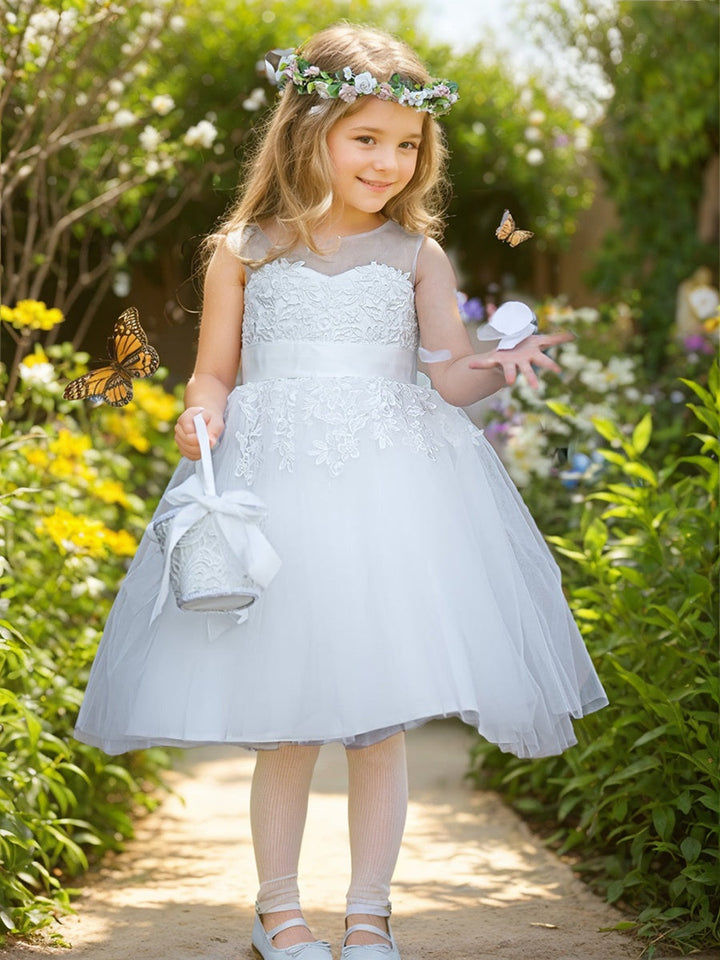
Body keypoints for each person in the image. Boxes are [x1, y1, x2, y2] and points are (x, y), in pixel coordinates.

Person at [74, 23, 608, 960]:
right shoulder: (245, 249)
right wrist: (200, 415)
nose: (387, 162)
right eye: (366, 138)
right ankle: (279, 910)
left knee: (376, 718)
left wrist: (499, 365)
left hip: (386, 501)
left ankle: (370, 911)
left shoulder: (416, 256)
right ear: (306, 130)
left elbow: (449, 375)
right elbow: (213, 372)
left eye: (407, 144)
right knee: (286, 719)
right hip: (278, 493)